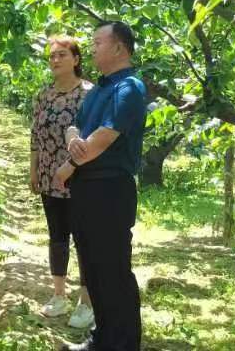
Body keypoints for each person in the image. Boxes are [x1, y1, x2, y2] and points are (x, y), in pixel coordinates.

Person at [53, 21, 147, 351]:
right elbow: (77, 124)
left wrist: (68, 165)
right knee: (92, 269)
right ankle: (102, 340)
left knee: (113, 272)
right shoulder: (100, 88)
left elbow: (104, 139)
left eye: (97, 42)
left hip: (109, 190)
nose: (92, 48)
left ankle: (123, 344)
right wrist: (72, 137)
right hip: (86, 190)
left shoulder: (130, 88)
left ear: (119, 48)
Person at [29, 36, 95, 329]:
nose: (55, 60)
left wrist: (73, 166)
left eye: (62, 55)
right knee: (57, 236)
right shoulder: (44, 95)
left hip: (80, 177)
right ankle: (59, 295)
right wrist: (34, 170)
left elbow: (94, 137)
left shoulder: (89, 94)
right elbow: (35, 136)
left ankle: (86, 301)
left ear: (76, 59)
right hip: (48, 176)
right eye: (52, 56)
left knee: (84, 239)